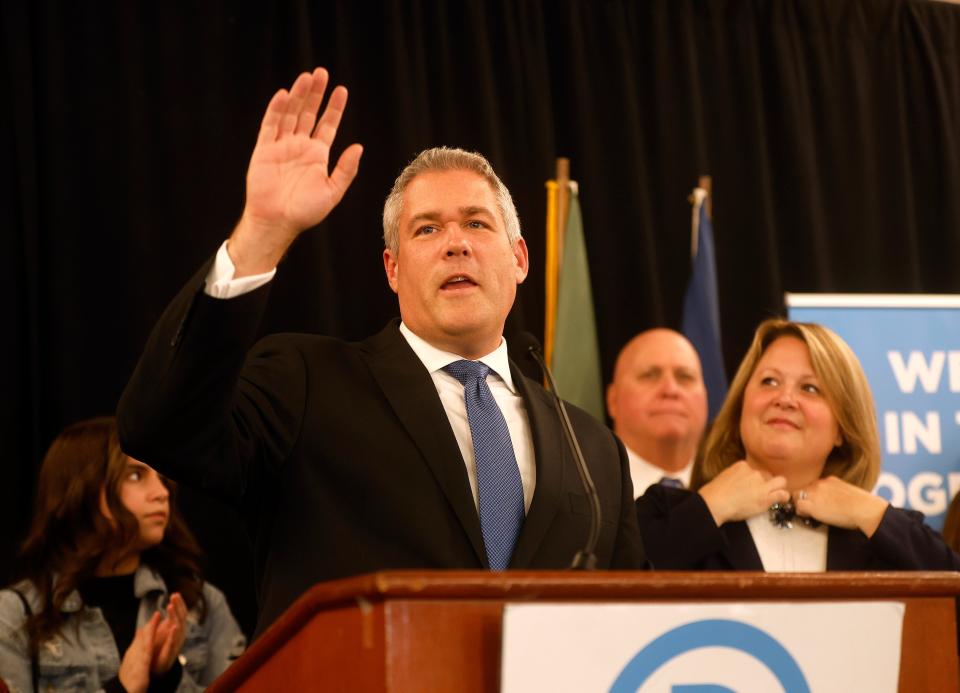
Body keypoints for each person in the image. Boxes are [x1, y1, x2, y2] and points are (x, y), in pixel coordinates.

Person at [117, 68, 645, 636]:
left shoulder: (593, 450)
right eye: (426, 230)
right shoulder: (306, 384)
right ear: (392, 269)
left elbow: (630, 624)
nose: (456, 243)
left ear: (519, 259)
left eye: (476, 222)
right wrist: (261, 233)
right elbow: (161, 428)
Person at [636, 318, 960, 571]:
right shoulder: (666, 511)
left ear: (842, 430)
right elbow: (613, 597)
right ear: (739, 410)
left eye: (810, 388)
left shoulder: (881, 536)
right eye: (769, 382)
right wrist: (710, 508)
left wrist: (869, 513)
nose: (785, 399)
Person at [0, 417, 245, 692]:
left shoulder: (201, 604)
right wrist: (122, 688)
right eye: (135, 475)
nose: (162, 493)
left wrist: (169, 678)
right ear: (81, 489)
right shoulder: (14, 615)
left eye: (162, 478)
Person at [606, 328, 708, 495]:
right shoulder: (579, 491)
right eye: (650, 375)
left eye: (685, 377)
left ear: (706, 397)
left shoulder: (739, 493)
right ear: (613, 400)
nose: (670, 389)